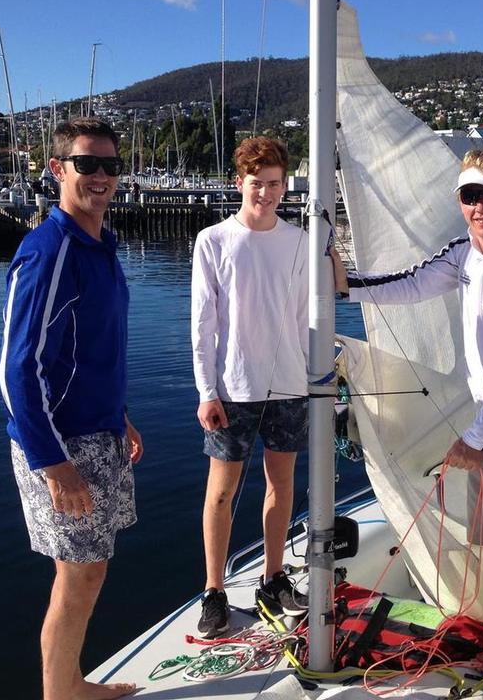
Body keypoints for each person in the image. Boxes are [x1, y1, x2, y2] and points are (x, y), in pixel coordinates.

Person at [332, 148, 483, 674]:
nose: (480, 206)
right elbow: (408, 284)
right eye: (470, 195)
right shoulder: (465, 254)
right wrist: (343, 285)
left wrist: (475, 439)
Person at [0, 117, 141, 700]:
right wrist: (53, 464)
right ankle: (61, 695)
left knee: (89, 571)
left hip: (97, 431)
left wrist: (119, 415)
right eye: (88, 164)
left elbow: (88, 351)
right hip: (63, 445)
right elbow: (18, 369)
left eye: (111, 165)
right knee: (78, 575)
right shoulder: (51, 249)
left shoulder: (100, 245)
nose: (102, 176)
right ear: (58, 170)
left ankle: (70, 685)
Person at [191, 136, 309, 637]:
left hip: (289, 386)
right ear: (239, 182)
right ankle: (214, 590)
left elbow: (307, 316)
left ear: (286, 185)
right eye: (257, 183)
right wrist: (205, 391)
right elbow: (203, 323)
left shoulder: (300, 240)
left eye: (275, 184)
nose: (266, 192)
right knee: (222, 492)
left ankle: (273, 577)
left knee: (281, 487)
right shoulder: (212, 240)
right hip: (232, 389)